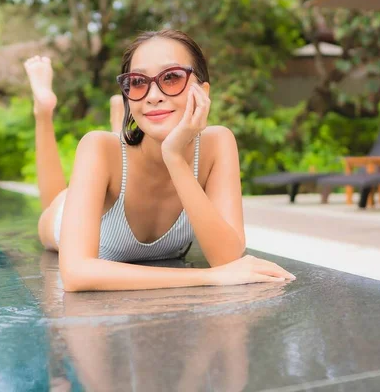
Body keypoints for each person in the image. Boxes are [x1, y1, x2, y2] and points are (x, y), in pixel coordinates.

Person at [24, 29, 295, 292]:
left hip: (133, 158)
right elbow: (75, 274)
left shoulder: (218, 144)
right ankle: (44, 110)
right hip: (73, 209)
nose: (153, 95)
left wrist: (174, 156)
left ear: (203, 91)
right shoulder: (96, 146)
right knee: (55, 201)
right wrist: (207, 278)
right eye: (138, 82)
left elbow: (227, 258)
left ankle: (116, 122)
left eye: (172, 77)